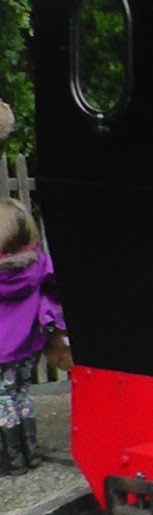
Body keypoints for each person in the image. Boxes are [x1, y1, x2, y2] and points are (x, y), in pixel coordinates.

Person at [0, 199, 64, 475]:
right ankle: (32, 451)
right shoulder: (38, 263)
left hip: (1, 350)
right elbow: (54, 287)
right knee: (22, 394)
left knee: (3, 399)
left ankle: (13, 460)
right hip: (28, 344)